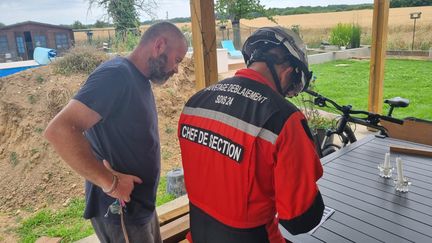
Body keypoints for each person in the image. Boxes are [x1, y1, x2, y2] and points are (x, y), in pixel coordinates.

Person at [178, 26, 324, 243]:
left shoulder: (195, 102)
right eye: (292, 86)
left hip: (200, 234)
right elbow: (299, 219)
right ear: (288, 71)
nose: (287, 94)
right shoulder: (285, 119)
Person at [44, 22, 187, 242]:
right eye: (176, 60)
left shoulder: (137, 78)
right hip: (120, 212)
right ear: (159, 45)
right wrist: (110, 182)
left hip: (138, 208)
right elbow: (60, 130)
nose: (177, 69)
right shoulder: (116, 75)